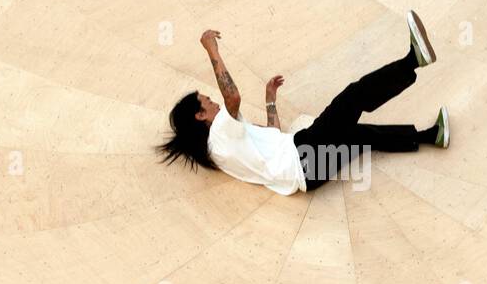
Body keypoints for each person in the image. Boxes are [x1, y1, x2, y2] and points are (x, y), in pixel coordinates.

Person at [158, 11, 449, 195]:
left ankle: (431, 136)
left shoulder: (222, 148)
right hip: (305, 154)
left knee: (360, 136)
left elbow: (274, 138)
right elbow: (232, 96)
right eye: (206, 101)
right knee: (353, 96)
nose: (214, 102)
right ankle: (414, 59)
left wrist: (270, 101)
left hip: (308, 173)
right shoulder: (219, 132)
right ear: (199, 116)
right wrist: (212, 49)